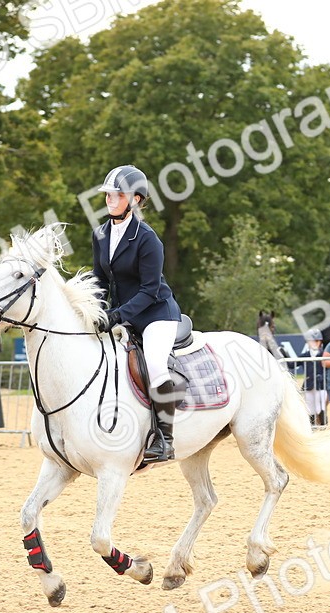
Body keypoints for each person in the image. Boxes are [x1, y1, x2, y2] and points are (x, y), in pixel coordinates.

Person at [91, 164, 182, 464]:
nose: (110, 199)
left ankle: (164, 438)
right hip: (123, 313)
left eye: (117, 195)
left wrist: (117, 316)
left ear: (136, 199)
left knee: (155, 365)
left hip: (157, 313)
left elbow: (150, 289)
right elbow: (100, 280)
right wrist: (95, 309)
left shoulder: (147, 238)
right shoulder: (101, 233)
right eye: (108, 194)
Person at [301, 328, 327, 427]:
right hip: (309, 385)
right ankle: (311, 427)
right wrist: (283, 354)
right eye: (312, 341)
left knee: (320, 407)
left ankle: (323, 426)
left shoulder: (324, 354)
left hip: (321, 385)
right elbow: (291, 364)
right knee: (310, 408)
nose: (314, 343)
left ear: (320, 342)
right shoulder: (305, 355)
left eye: (317, 341)